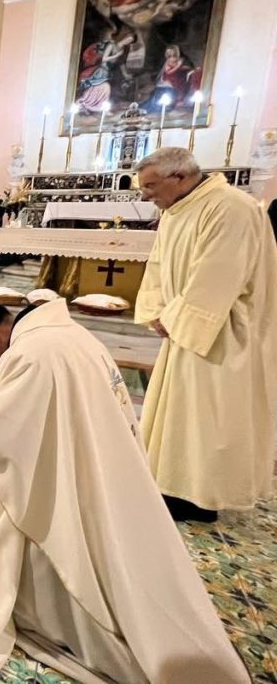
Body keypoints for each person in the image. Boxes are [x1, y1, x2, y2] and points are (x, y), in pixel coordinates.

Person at [0, 297, 250, 684]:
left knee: (43, 539)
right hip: (109, 468)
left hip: (74, 484)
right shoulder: (71, 334)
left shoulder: (29, 355)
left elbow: (3, 437)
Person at [134, 148, 277, 522]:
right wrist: (157, 311)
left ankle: (203, 497)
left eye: (151, 186)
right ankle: (173, 483)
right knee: (180, 413)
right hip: (184, 327)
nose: (145, 195)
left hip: (221, 332)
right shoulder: (175, 210)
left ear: (179, 176)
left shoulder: (231, 207)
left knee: (209, 417)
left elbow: (218, 276)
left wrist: (177, 316)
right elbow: (159, 265)